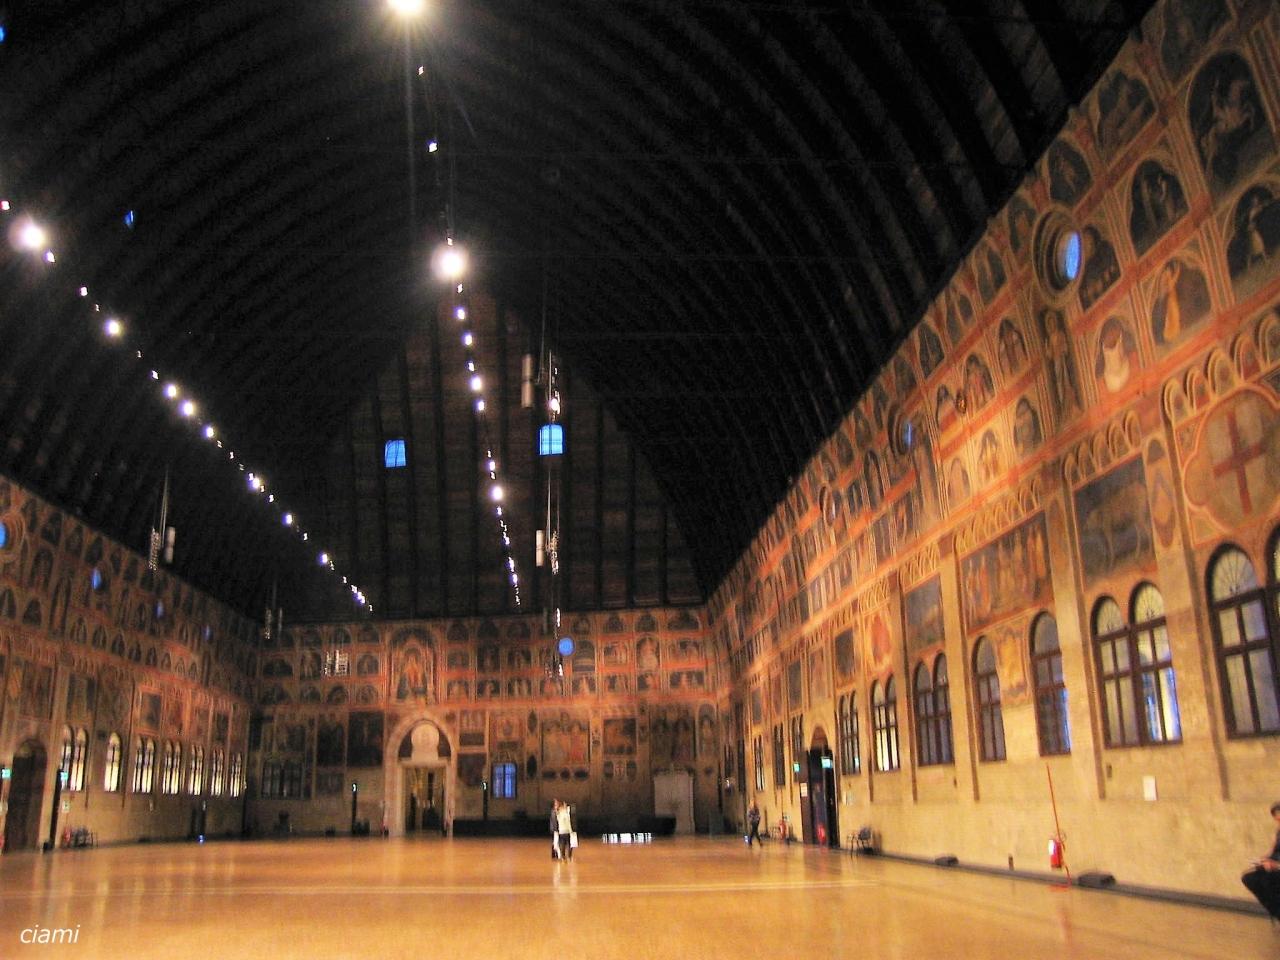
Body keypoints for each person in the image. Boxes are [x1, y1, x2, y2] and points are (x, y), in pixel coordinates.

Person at [1242, 801, 1280, 921]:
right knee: (1249, 878)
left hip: (1278, 867)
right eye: (1277, 819)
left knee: (1267, 881)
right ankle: (1275, 911)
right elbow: (1272, 851)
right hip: (1273, 865)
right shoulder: (1278, 832)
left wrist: (1276, 865)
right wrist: (1263, 860)